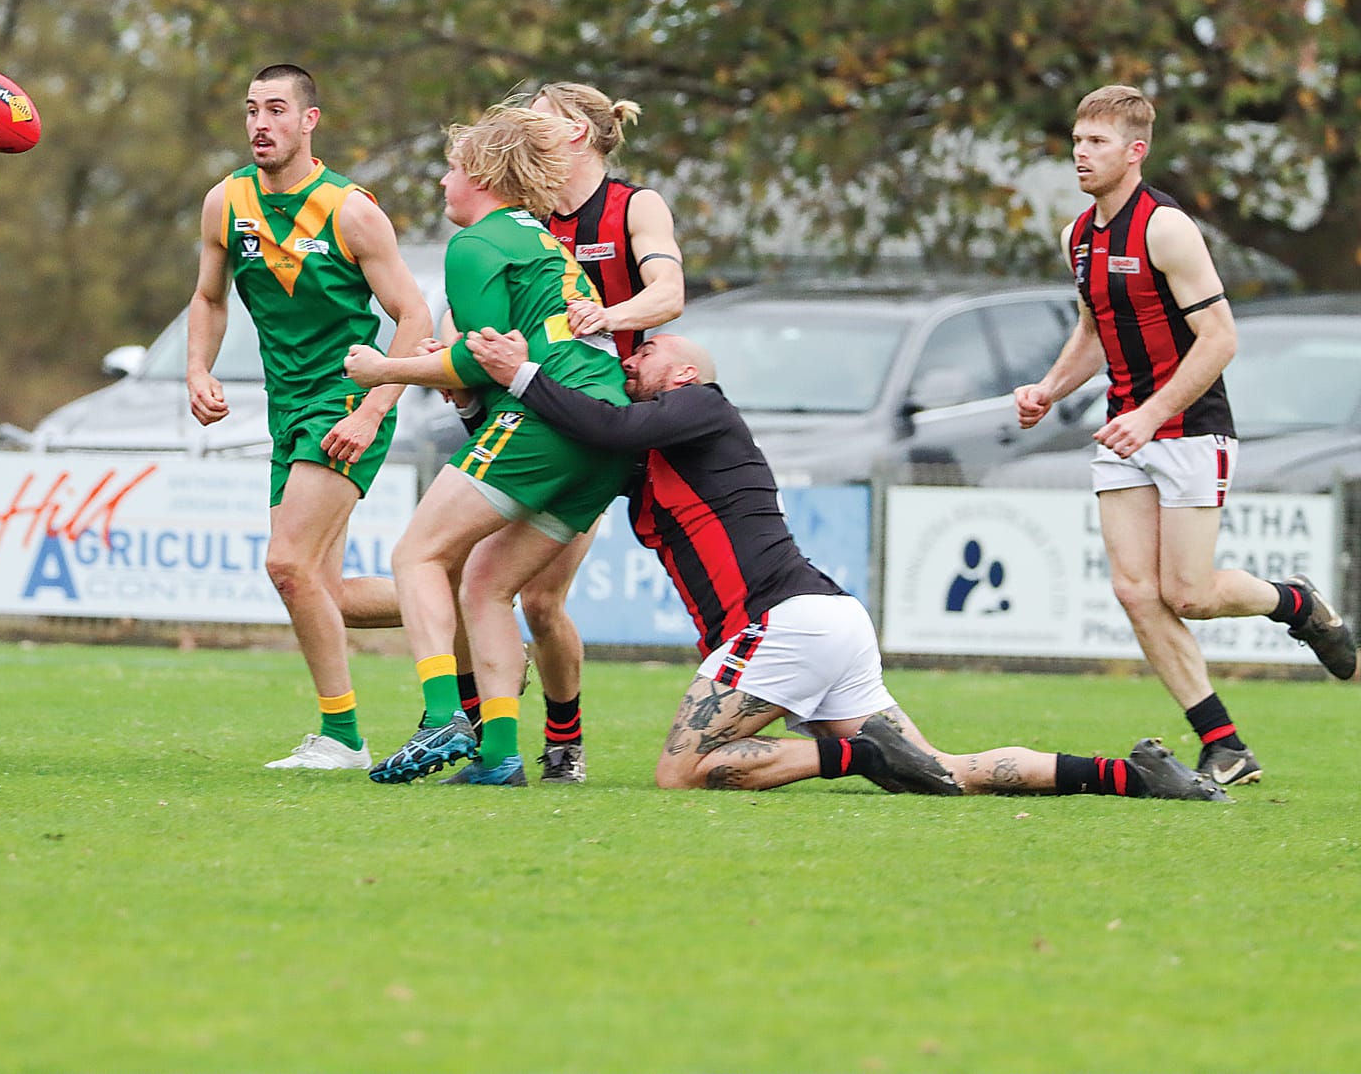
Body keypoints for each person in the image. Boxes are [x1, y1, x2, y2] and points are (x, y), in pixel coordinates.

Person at [464, 326, 1231, 802]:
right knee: (942, 770)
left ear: (687, 375)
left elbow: (603, 420)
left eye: (650, 349)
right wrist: (474, 398)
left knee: (683, 772)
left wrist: (521, 373)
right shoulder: (650, 450)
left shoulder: (707, 408)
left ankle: (852, 754)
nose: (633, 354)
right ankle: (1136, 775)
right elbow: (581, 436)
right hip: (820, 624)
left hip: (787, 622)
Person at [1014, 85, 1355, 787]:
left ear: (1135, 151)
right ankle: (1224, 742)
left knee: (1190, 591)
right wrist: (1048, 390)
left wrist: (1150, 413)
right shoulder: (1076, 235)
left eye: (1097, 142)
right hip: (1124, 435)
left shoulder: (1166, 228)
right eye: (1077, 139)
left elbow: (1221, 338)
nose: (1081, 152)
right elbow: (1094, 332)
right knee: (1136, 591)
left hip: (1189, 429)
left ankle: (1295, 602)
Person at [343, 105, 631, 787]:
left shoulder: (477, 243)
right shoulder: (536, 239)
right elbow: (491, 363)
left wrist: (384, 368)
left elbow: (475, 365)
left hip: (553, 419)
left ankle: (445, 712)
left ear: (480, 173)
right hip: (605, 432)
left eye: (450, 167)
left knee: (418, 553)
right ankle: (500, 753)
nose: (443, 182)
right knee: (486, 583)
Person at [186, 64, 433, 771]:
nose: (260, 124)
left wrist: (377, 404)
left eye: (275, 110)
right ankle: (468, 605)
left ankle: (343, 736)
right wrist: (197, 368)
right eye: (250, 111)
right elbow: (207, 299)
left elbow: (415, 315)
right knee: (329, 592)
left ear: (308, 121)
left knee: (287, 563)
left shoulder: (351, 209)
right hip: (287, 409)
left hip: (348, 401)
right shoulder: (225, 202)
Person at [447, 81, 684, 784]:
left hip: (595, 419)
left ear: (576, 132)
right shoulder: (521, 214)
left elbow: (669, 296)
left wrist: (606, 318)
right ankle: (476, 727)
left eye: (536, 116)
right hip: (522, 412)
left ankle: (561, 744)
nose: (519, 125)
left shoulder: (634, 205)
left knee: (539, 600)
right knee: (467, 575)